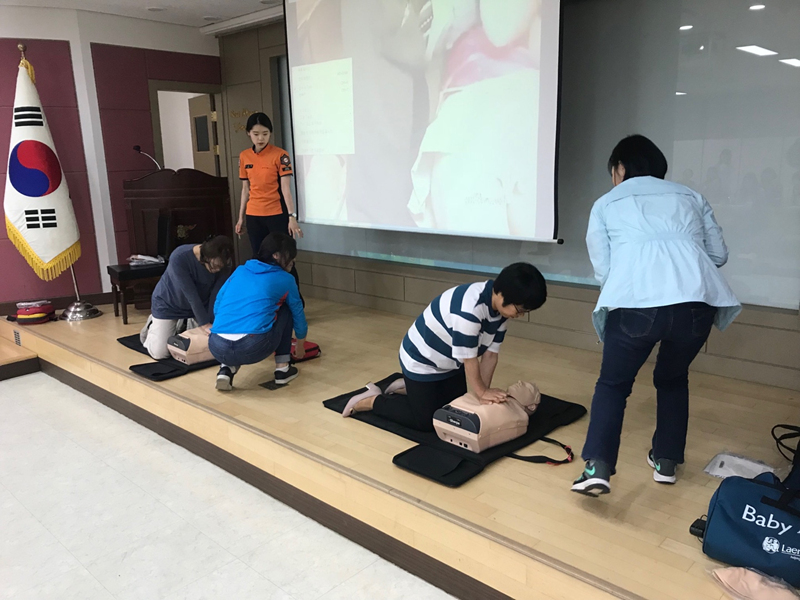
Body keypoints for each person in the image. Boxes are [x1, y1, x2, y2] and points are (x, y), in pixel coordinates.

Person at [571, 135, 741, 497]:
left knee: (613, 385)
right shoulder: (690, 196)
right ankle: (666, 462)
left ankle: (597, 467)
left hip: (636, 302)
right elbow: (718, 255)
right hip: (696, 303)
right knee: (673, 378)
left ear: (619, 169)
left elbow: (605, 269)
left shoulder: (606, 203)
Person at [341, 263, 547, 431]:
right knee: (426, 421)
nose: (520, 315)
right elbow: (470, 359)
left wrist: (480, 398)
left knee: (451, 411)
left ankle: (407, 388)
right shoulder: (470, 310)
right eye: (520, 309)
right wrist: (482, 392)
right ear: (502, 294)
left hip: (450, 363)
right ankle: (372, 400)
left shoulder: (500, 311)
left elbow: (490, 356)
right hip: (421, 360)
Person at [209, 232, 307, 391]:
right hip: (253, 346)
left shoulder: (240, 271)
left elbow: (218, 304)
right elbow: (298, 313)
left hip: (216, 345)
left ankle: (226, 369)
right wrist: (300, 345)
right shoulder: (285, 279)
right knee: (286, 307)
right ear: (276, 255)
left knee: (236, 310)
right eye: (290, 255)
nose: (293, 260)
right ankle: (283, 369)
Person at [235, 112, 303, 291]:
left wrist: (292, 216)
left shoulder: (280, 155)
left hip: (276, 214)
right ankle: (266, 297)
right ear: (248, 133)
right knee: (259, 259)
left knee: (285, 258)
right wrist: (241, 218)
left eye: (265, 134)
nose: (261, 138)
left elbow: (286, 189)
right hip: (254, 215)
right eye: (256, 134)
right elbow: (245, 189)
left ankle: (294, 298)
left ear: (270, 133)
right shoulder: (244, 156)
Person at [139, 236, 233, 360]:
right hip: (169, 304)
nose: (217, 270)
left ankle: (182, 324)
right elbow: (191, 295)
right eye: (214, 266)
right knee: (160, 353)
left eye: (220, 267)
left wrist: (211, 322)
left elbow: (215, 295)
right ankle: (152, 324)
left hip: (200, 306)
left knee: (202, 346)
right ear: (205, 257)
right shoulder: (180, 257)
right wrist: (204, 324)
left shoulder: (225, 263)